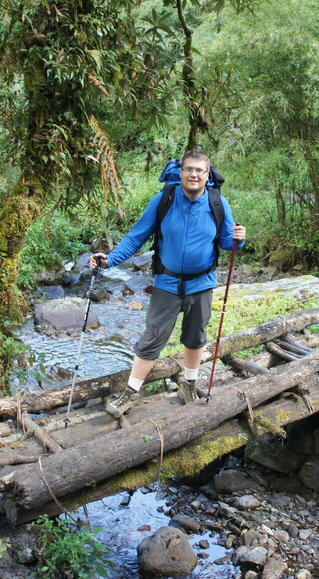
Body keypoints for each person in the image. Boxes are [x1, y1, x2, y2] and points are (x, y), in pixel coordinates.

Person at [90, 150, 246, 418]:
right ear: (181, 172)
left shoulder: (218, 202)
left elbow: (224, 242)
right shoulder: (164, 200)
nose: (194, 174)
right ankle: (131, 392)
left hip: (201, 283)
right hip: (167, 282)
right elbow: (135, 237)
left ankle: (189, 384)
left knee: (195, 337)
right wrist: (109, 260)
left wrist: (238, 239)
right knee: (152, 337)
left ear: (207, 175)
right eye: (189, 169)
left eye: (199, 170)